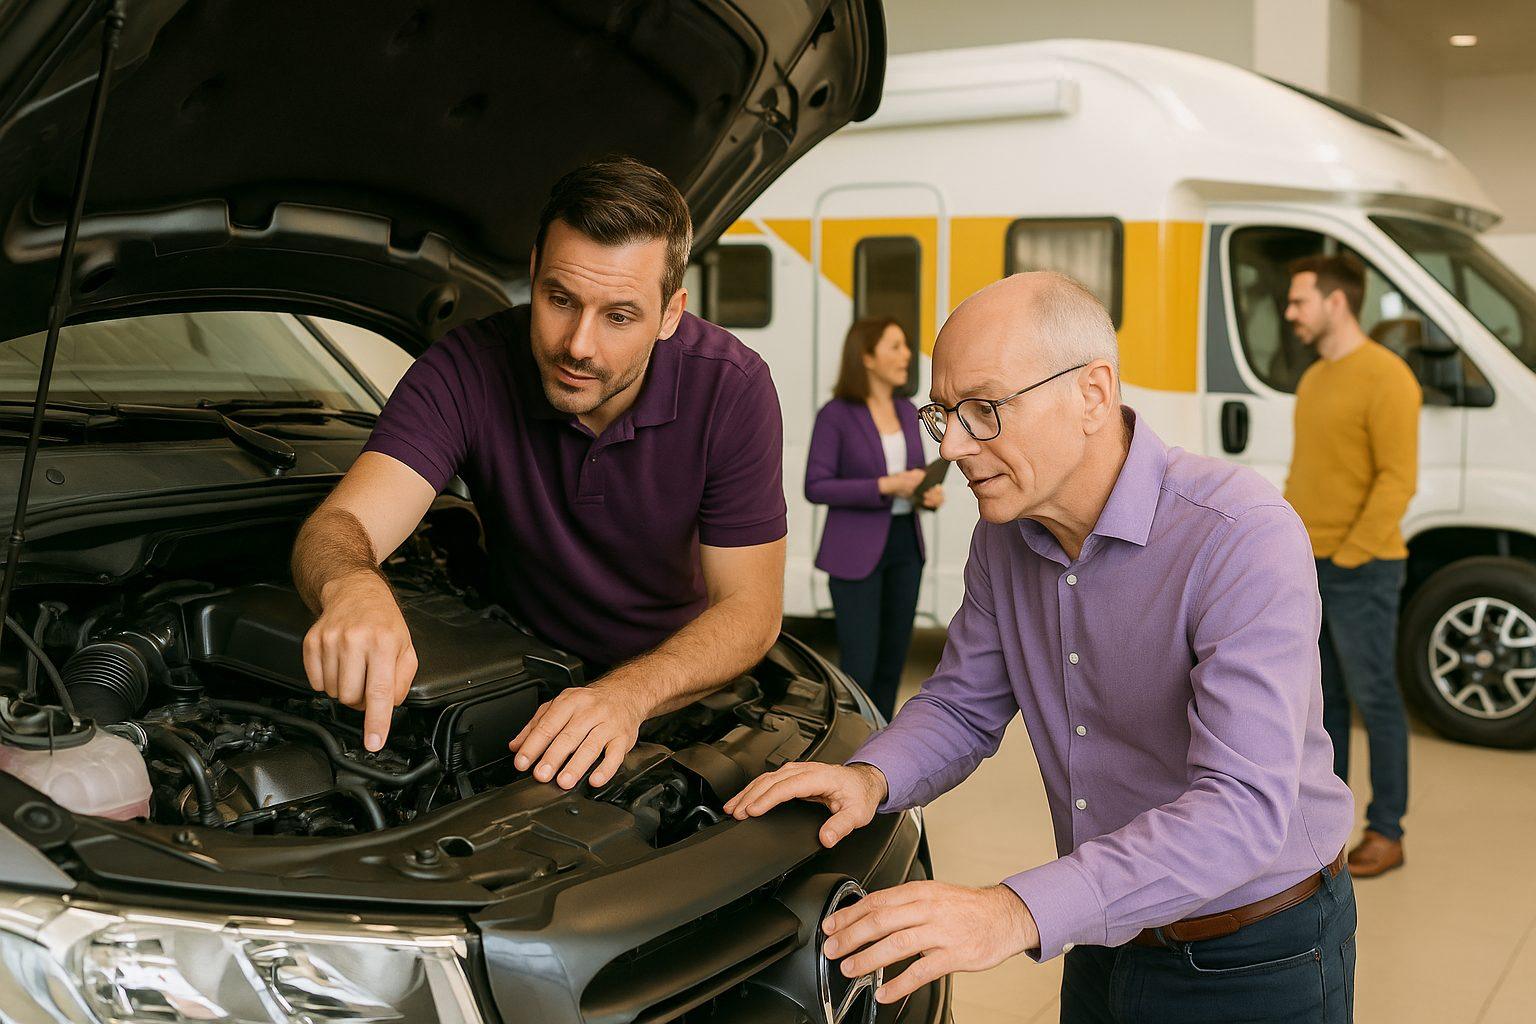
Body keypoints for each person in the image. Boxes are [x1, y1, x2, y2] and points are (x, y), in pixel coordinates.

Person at [725, 272, 1358, 1023]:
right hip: (1101, 928)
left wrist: (1013, 912)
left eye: (984, 411)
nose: (954, 445)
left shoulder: (1238, 534)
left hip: (1255, 953)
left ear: (1093, 394)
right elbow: (963, 706)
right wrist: (868, 776)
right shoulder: (1004, 538)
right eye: (944, 414)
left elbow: (1243, 808)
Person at [290, 156, 788, 791]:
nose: (577, 345)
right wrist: (351, 585)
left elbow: (751, 609)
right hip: (522, 680)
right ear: (533, 272)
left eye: (619, 315)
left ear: (671, 313)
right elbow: (340, 525)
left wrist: (626, 697)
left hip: (674, 691)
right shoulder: (466, 369)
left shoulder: (732, 387)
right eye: (559, 299)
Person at [1284, 253, 1420, 878]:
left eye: (1298, 302)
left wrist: (1348, 554)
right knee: (1324, 704)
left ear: (1336, 302)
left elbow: (1397, 479)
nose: (1291, 315)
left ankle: (1386, 831)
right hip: (1311, 565)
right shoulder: (1314, 379)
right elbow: (1306, 473)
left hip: (1362, 568)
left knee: (1376, 700)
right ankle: (1326, 830)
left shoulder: (1387, 378)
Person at [805, 317, 945, 718]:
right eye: (896, 346)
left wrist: (924, 494)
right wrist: (885, 486)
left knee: (891, 664)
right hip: (854, 552)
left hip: (905, 546)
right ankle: (850, 751)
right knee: (860, 666)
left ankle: (879, 752)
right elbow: (816, 486)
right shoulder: (835, 415)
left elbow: (912, 476)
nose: (907, 356)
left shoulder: (906, 411)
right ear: (866, 356)